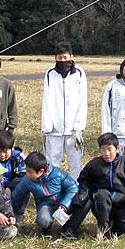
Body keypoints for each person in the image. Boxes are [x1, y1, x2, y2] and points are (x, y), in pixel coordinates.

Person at [61, 133, 125, 239]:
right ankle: (70, 229)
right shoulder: (94, 165)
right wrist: (83, 194)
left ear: (117, 149)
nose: (106, 153)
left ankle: (112, 229)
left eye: (109, 149)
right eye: (103, 150)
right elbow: (84, 181)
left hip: (120, 204)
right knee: (95, 197)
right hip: (99, 204)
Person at [41, 41, 88, 180]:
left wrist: (79, 126)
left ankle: (76, 189)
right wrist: (47, 126)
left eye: (65, 57)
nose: (63, 61)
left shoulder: (79, 73)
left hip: (73, 130)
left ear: (71, 56)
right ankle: (52, 188)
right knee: (52, 162)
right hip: (54, 129)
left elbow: (82, 100)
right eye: (60, 58)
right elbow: (46, 100)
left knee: (76, 164)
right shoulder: (50, 74)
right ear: (55, 58)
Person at [11, 151, 78, 236]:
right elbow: (16, 196)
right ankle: (46, 229)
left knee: (82, 205)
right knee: (43, 220)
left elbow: (73, 187)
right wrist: (9, 212)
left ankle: (70, 228)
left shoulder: (57, 174)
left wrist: (64, 205)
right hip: (46, 204)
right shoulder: (27, 181)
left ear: (41, 171)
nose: (27, 174)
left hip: (64, 201)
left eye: (29, 172)